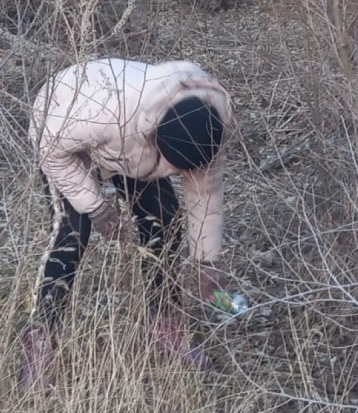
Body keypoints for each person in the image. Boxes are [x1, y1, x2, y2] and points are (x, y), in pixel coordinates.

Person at [23, 57, 236, 387]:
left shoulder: (210, 123)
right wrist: (97, 208)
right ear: (154, 137)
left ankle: (165, 330)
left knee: (164, 220)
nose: (179, 175)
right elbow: (51, 151)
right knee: (72, 234)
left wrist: (205, 260)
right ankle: (41, 345)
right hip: (65, 128)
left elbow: (205, 190)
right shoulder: (100, 112)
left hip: (131, 146)